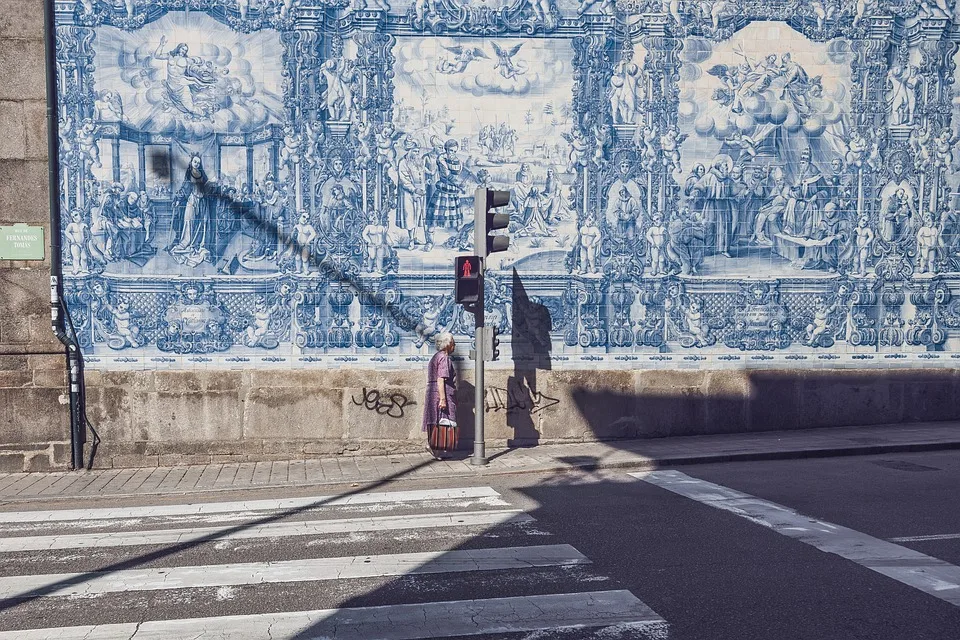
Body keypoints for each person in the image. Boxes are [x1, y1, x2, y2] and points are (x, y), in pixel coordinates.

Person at [423, 332, 458, 459]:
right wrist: (443, 399)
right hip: (441, 392)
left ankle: (437, 450)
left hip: (432, 392)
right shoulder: (444, 358)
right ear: (448, 344)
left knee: (436, 420)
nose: (454, 345)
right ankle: (434, 445)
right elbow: (441, 379)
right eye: (453, 342)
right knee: (444, 420)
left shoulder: (435, 357)